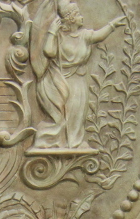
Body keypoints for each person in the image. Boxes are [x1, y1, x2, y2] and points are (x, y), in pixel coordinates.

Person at [31, 1, 127, 150]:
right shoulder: (59, 36)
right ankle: (54, 140)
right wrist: (52, 31)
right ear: (71, 19)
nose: (82, 17)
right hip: (62, 80)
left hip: (79, 80)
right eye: (78, 14)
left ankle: (74, 143)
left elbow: (99, 35)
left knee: (78, 113)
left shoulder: (84, 35)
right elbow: (49, 52)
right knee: (63, 113)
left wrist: (113, 25)